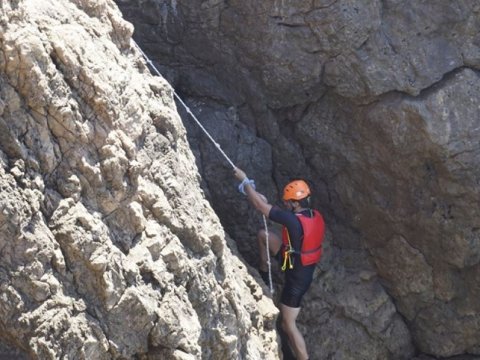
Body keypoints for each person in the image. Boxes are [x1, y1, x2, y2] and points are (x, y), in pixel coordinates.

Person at [234, 168, 325, 360]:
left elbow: (260, 206)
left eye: (287, 202)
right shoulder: (314, 215)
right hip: (297, 261)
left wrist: (245, 181)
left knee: (287, 324)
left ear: (294, 203)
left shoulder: (292, 221)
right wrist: (256, 195)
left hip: (297, 277)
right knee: (263, 236)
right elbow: (267, 207)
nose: (285, 204)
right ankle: (264, 270)